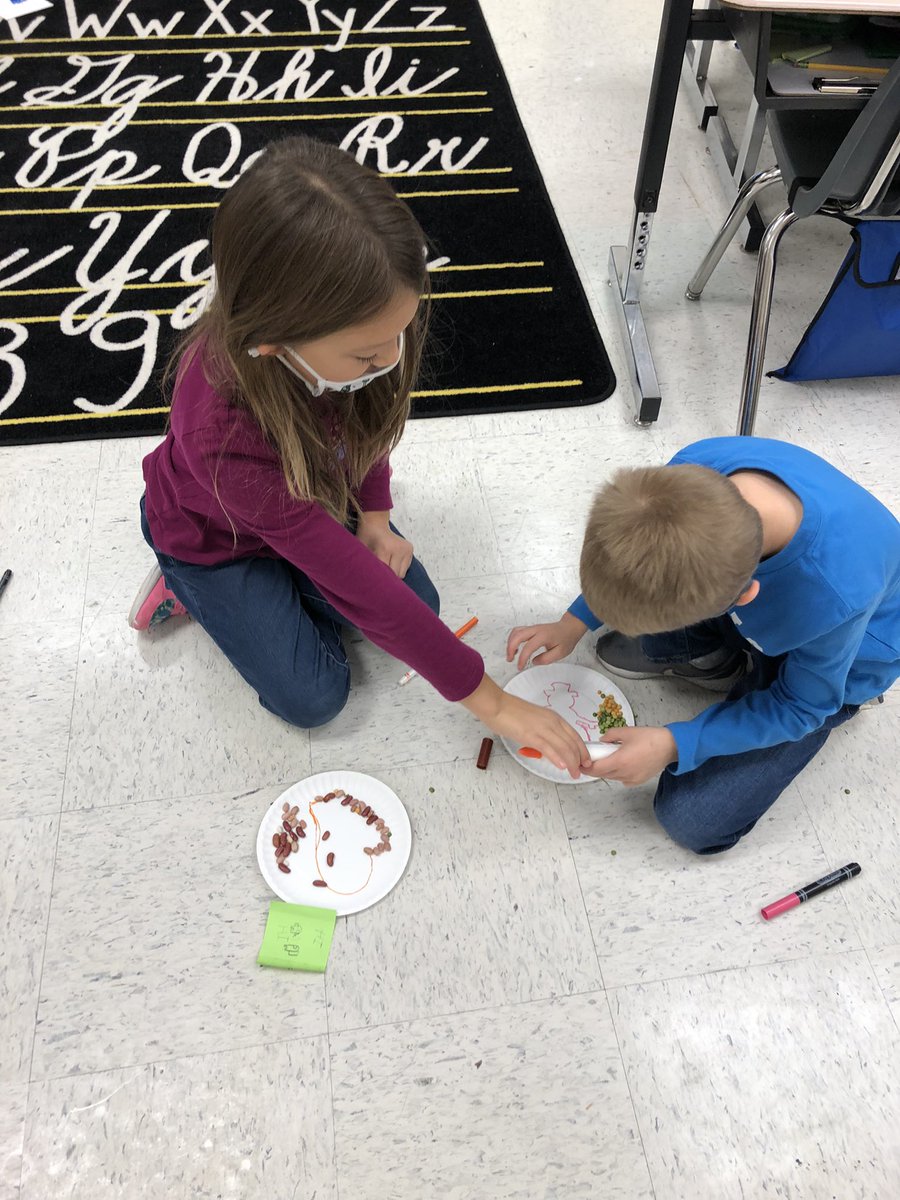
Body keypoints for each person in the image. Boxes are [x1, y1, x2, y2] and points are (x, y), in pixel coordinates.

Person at [129, 135, 589, 777]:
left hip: (309, 505)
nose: (389, 361)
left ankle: (275, 587)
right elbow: (354, 582)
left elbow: (363, 429)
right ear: (272, 340)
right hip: (213, 540)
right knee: (315, 698)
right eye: (369, 354)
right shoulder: (224, 433)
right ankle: (184, 587)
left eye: (397, 336)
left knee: (415, 606)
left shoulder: (349, 341)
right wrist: (490, 701)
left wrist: (374, 514)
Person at [507, 437, 900, 852]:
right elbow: (634, 555)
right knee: (651, 638)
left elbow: (801, 707)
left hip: (842, 660)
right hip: (778, 608)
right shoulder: (689, 470)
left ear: (746, 595)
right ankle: (724, 663)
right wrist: (573, 622)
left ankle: (746, 668)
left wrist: (673, 743)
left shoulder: (834, 594)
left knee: (693, 821)